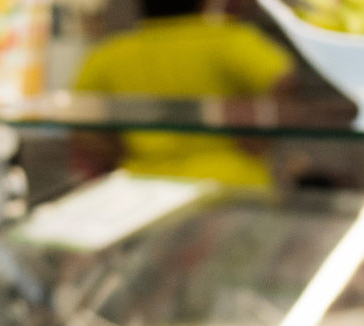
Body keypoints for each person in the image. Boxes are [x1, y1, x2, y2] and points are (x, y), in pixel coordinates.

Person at [71, 0, 294, 187]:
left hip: (142, 182)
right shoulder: (226, 38)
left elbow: (80, 119)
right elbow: (283, 78)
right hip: (230, 179)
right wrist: (258, 136)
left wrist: (117, 152)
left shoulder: (111, 52)